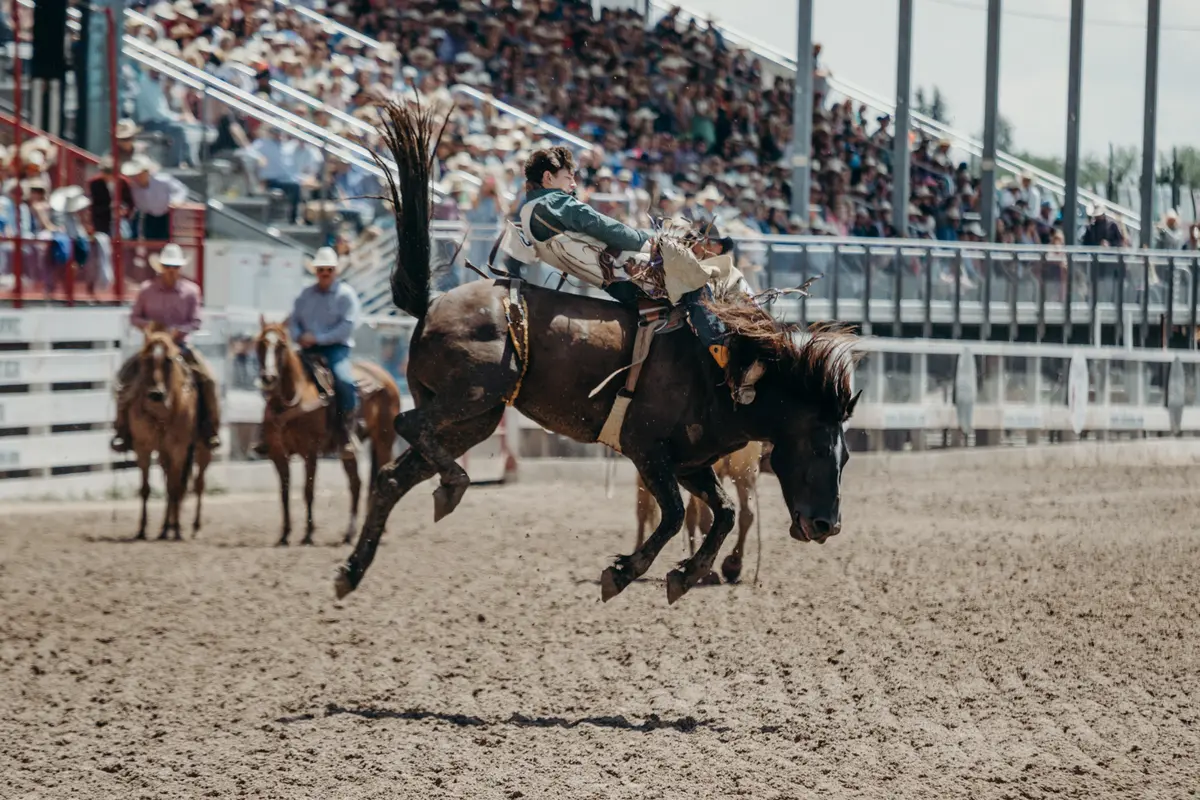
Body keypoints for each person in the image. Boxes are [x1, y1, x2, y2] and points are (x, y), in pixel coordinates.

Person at [512, 146, 742, 374]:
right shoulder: (555, 202)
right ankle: (724, 352)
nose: (573, 184)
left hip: (613, 282)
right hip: (628, 272)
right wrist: (650, 240)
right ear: (548, 177)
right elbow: (601, 225)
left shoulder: (527, 211)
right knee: (695, 281)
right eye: (568, 178)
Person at [111, 243, 222, 452]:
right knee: (123, 381)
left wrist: (179, 330)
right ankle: (122, 429)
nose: (171, 270)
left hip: (180, 346)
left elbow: (196, 321)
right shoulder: (146, 290)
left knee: (208, 380)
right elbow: (134, 316)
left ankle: (210, 428)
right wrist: (149, 327)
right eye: (168, 266)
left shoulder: (190, 292)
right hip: (151, 348)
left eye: (175, 266)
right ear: (161, 267)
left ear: (180, 269)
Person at [288, 246, 362, 458]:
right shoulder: (305, 295)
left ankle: (347, 432)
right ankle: (271, 431)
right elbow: (293, 321)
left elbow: (347, 326)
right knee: (279, 376)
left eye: (329, 269)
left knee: (344, 380)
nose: (325, 273)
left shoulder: (346, 295)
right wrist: (298, 336)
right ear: (315, 271)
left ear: (335, 271)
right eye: (321, 269)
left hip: (335, 348)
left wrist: (317, 338)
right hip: (306, 348)